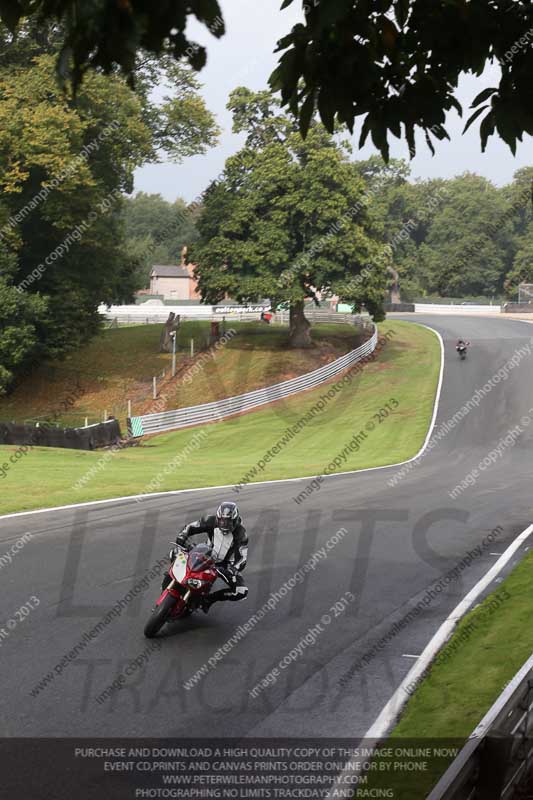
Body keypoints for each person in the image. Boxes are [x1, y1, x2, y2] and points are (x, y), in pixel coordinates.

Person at [162, 501, 248, 612]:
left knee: (241, 591)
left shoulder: (241, 534)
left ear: (235, 521)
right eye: (222, 521)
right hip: (205, 553)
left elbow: (242, 558)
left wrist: (234, 569)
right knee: (175, 553)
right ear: (218, 518)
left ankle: (209, 600)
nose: (225, 524)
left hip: (223, 564)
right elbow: (190, 527)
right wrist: (182, 537)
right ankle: (169, 580)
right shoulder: (210, 520)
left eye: (228, 522)